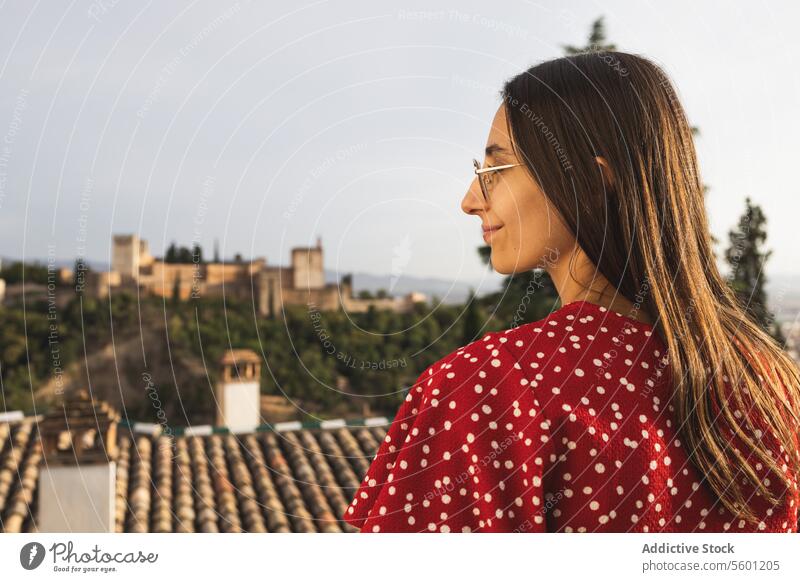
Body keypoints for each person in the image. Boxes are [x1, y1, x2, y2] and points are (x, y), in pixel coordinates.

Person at [342, 51, 800, 533]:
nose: (470, 201)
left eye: (494, 170)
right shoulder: (771, 388)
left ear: (590, 180)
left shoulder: (485, 394)